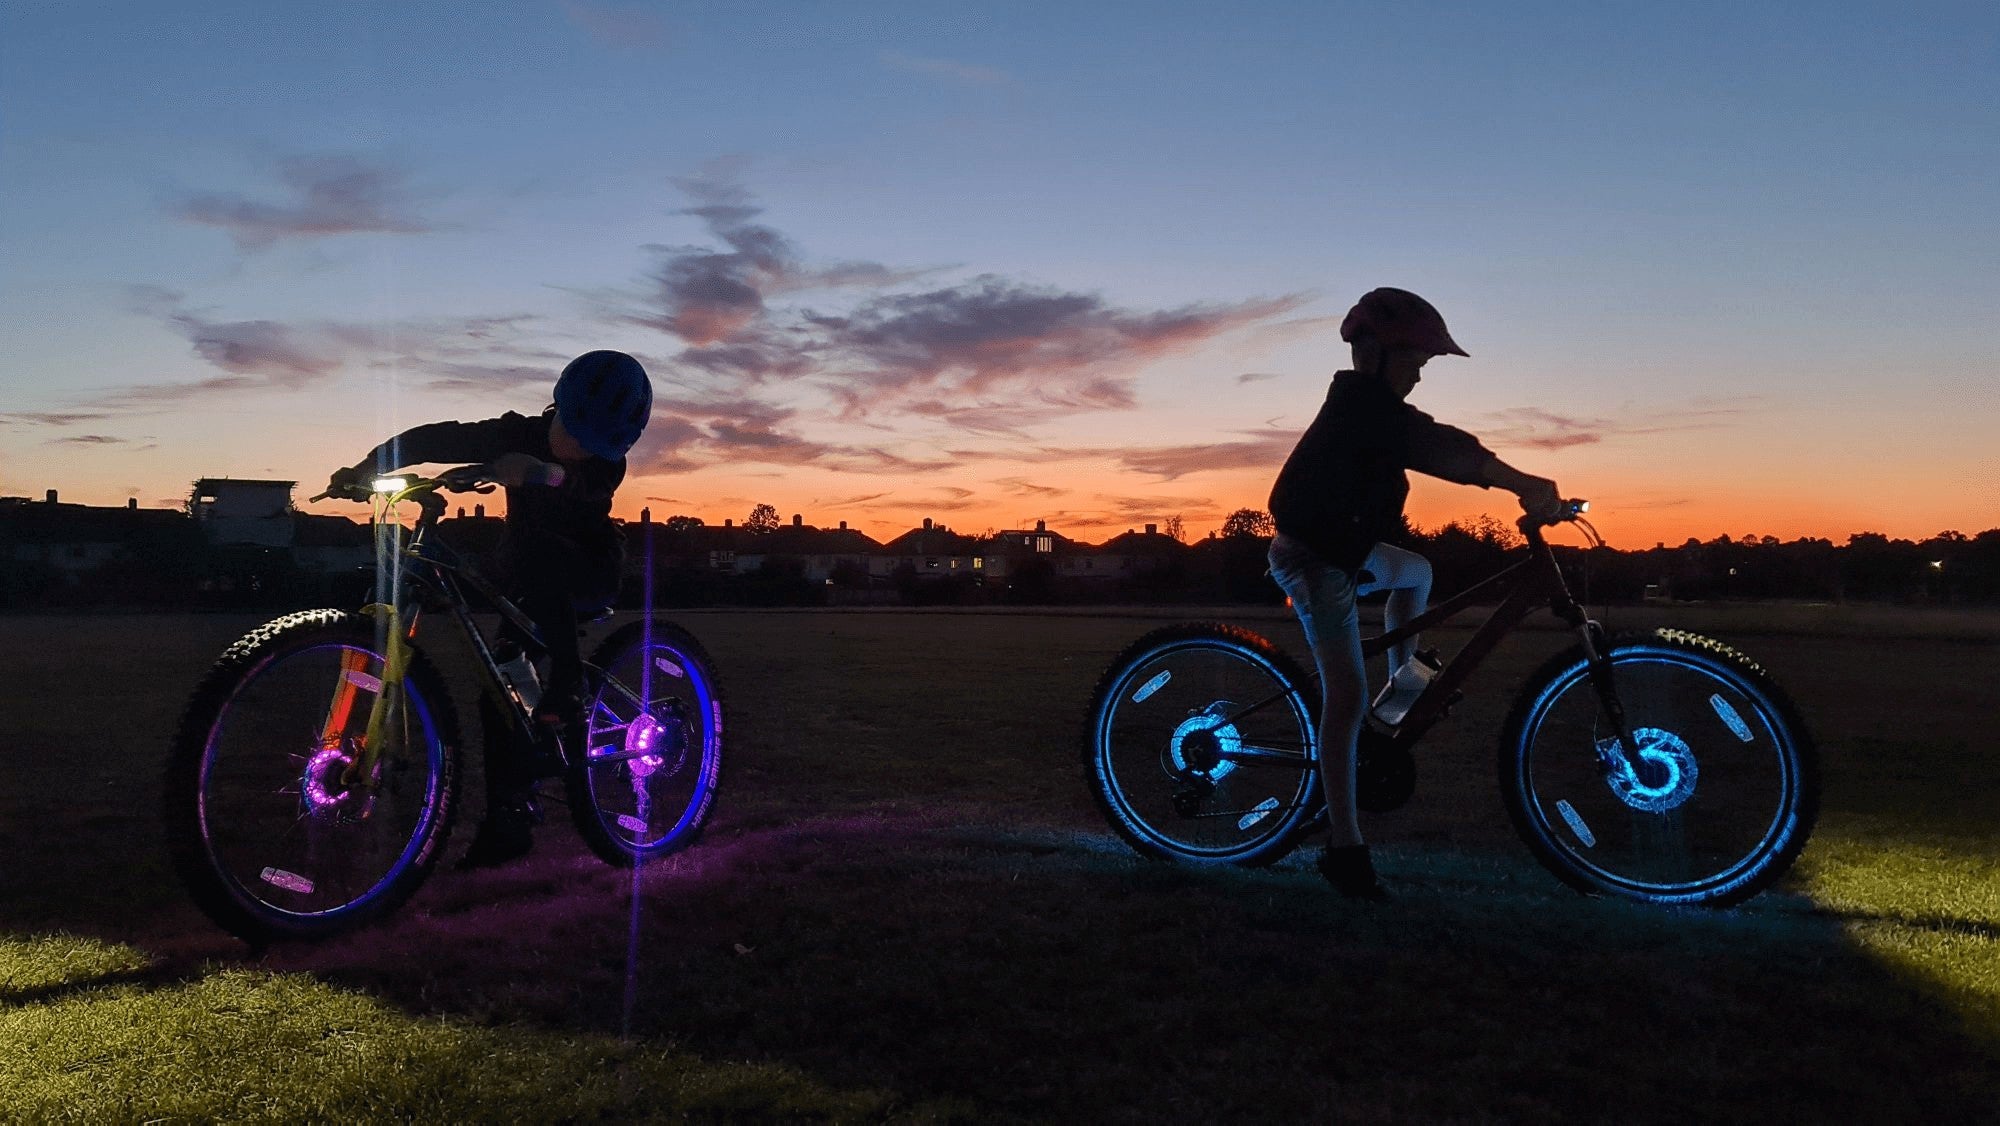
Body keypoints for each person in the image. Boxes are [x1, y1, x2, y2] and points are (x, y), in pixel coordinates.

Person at [1266, 289, 1560, 899]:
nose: (1420, 376)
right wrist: (1521, 481)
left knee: (1417, 573)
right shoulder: (1360, 408)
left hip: (1345, 550)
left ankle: (1400, 692)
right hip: (1313, 559)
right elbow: (1437, 445)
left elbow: (1429, 439)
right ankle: (1344, 847)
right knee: (1345, 698)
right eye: (1416, 363)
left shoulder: (1374, 409)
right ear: (1374, 354)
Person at [325, 349, 653, 868]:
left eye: (592, 445)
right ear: (558, 407)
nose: (579, 449)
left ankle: (568, 682)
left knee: (539, 556)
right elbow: (434, 439)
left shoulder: (606, 463)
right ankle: (509, 819)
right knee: (499, 691)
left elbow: (586, 489)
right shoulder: (513, 433)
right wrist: (368, 466)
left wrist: (543, 474)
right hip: (528, 575)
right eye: (574, 434)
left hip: (588, 570)